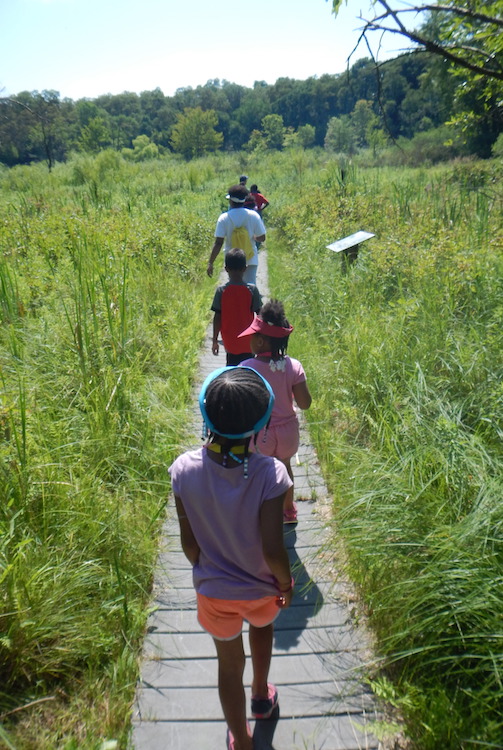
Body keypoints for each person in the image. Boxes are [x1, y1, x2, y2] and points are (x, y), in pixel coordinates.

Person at [169, 366, 294, 750]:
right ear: (261, 421)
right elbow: (273, 550)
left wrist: (210, 569)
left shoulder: (183, 471)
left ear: (206, 417)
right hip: (261, 589)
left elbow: (190, 547)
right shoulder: (270, 474)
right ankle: (260, 693)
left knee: (228, 665)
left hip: (215, 593)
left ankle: (241, 739)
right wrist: (286, 584)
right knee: (262, 627)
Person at [238, 300, 312, 523]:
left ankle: (264, 513)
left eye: (252, 336)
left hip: (261, 433)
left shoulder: (247, 368)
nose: (250, 340)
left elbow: (243, 403)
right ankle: (288, 510)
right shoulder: (294, 366)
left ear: (260, 341)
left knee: (261, 473)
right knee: (285, 467)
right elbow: (305, 403)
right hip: (288, 432)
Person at [211, 248, 262, 366]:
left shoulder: (221, 291)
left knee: (231, 368)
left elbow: (217, 317)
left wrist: (214, 340)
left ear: (226, 269)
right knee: (248, 370)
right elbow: (260, 316)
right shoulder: (252, 290)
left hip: (230, 341)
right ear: (245, 268)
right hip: (249, 341)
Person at [207, 185, 266, 286]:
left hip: (232, 261)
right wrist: (253, 237)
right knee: (250, 288)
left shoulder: (224, 218)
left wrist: (211, 262)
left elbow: (218, 243)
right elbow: (262, 238)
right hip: (250, 258)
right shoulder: (253, 215)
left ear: (230, 201)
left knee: (234, 289)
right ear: (244, 200)